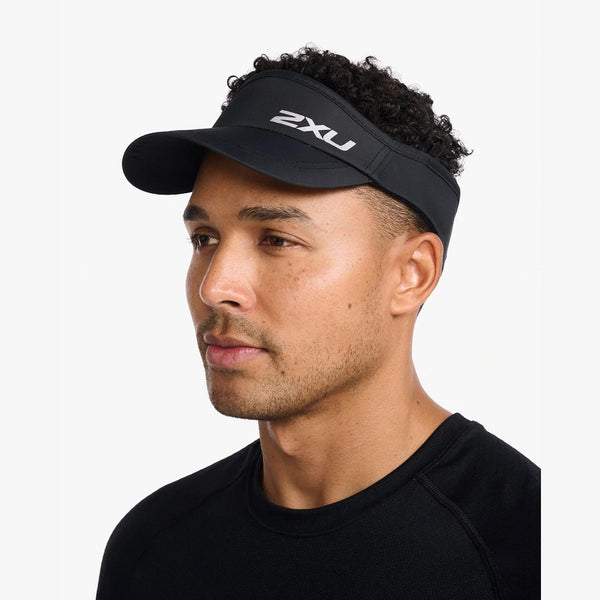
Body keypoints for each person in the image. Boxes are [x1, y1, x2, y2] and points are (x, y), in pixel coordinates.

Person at [96, 47, 540, 600]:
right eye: (204, 239)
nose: (214, 286)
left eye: (277, 240)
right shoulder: (155, 549)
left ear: (411, 274)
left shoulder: (534, 549)